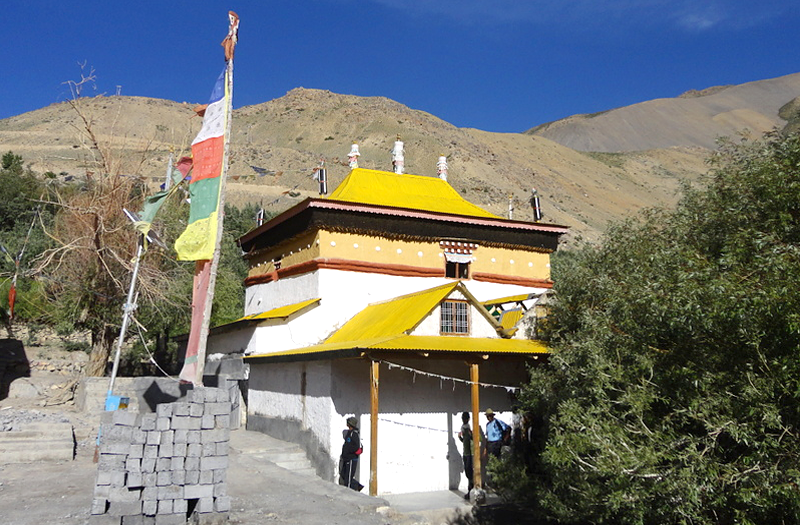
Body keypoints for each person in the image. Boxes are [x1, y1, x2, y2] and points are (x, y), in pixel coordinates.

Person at [339, 416, 363, 491]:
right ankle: (357, 486)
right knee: (343, 475)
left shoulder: (354, 434)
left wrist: (348, 452)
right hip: (346, 458)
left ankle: (349, 493)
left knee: (348, 479)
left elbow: (356, 446)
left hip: (351, 459)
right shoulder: (350, 433)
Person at [457, 411, 478, 496]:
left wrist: (471, 433)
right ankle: (471, 488)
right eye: (463, 418)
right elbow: (464, 441)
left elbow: (475, 439)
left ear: (468, 419)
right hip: (465, 452)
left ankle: (471, 489)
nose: (464, 420)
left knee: (469, 471)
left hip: (470, 453)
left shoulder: (469, 428)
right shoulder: (463, 427)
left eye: (465, 418)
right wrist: (460, 438)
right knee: (467, 471)